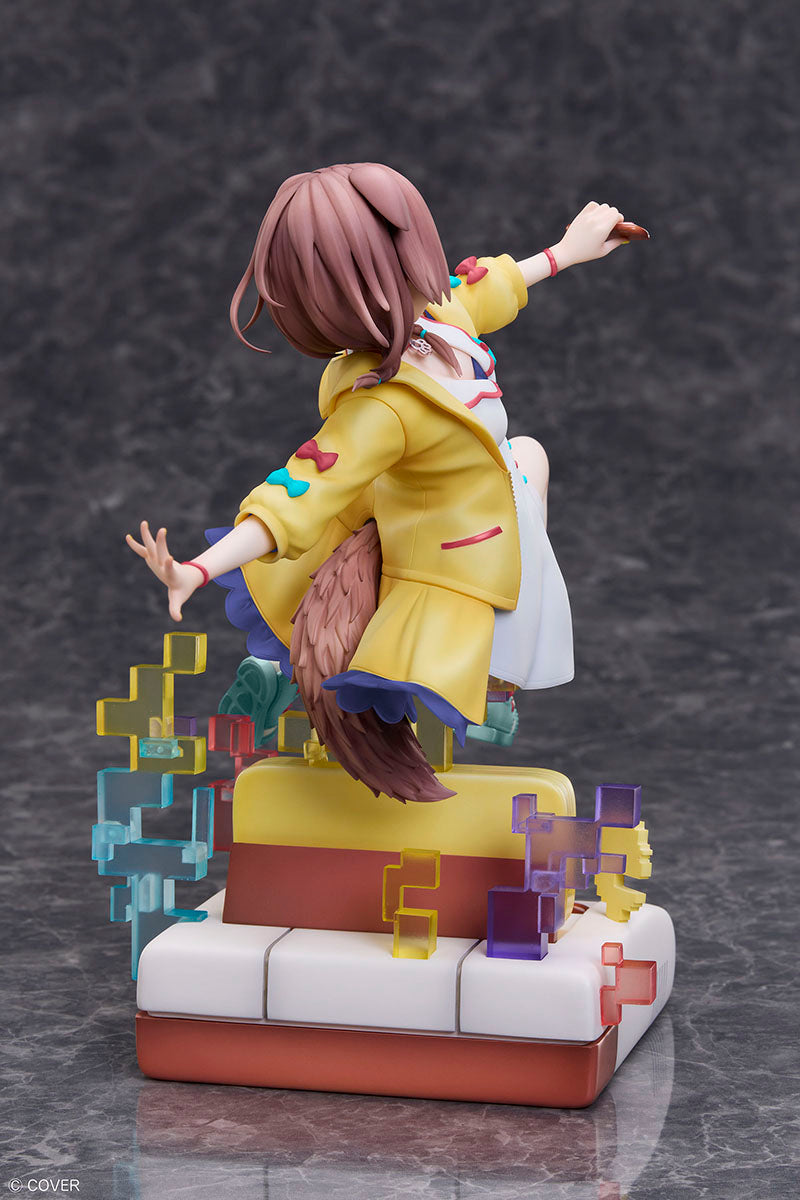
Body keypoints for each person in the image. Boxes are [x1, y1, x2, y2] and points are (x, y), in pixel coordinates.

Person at [127, 163, 631, 802]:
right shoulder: (382, 406)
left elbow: (489, 286)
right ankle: (487, 687)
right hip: (453, 545)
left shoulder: (439, 317)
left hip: (454, 502)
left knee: (529, 454)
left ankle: (285, 669)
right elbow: (300, 488)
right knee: (508, 593)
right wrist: (196, 571)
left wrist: (566, 252)